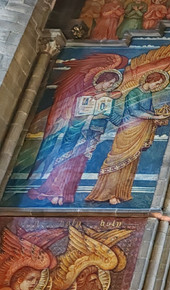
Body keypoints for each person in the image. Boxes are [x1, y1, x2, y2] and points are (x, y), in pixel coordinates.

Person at [28, 68, 123, 206]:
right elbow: (73, 113)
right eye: (110, 83)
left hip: (92, 133)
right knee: (66, 159)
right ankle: (55, 191)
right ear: (103, 80)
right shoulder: (84, 93)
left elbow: (117, 96)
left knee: (80, 161)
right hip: (76, 132)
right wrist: (87, 114)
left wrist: (105, 97)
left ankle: (67, 194)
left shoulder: (107, 96)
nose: (111, 86)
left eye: (113, 84)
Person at [86, 71, 170, 205]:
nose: (157, 87)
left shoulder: (148, 94)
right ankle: (107, 193)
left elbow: (148, 111)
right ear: (150, 80)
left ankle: (121, 193)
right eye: (157, 83)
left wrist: (159, 115)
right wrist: (155, 116)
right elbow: (134, 111)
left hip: (139, 131)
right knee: (117, 159)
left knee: (130, 162)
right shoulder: (134, 93)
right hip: (128, 130)